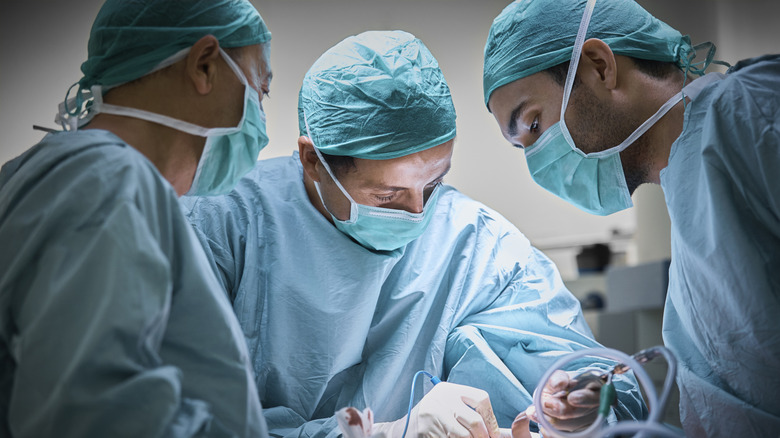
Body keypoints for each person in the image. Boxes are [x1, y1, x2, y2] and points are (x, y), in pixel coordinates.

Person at [182, 30, 647, 438]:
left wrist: (580, 405)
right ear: (312, 161)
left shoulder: (477, 245)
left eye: (434, 184)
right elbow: (180, 414)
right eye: (388, 196)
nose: (418, 213)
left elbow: (584, 373)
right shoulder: (223, 227)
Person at [483, 0, 780, 435]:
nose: (537, 161)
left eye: (532, 124)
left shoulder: (752, 114)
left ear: (600, 66)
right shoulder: (691, 185)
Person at [0, 0, 274, 436]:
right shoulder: (107, 184)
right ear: (204, 65)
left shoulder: (50, 174)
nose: (261, 121)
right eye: (260, 90)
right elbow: (94, 417)